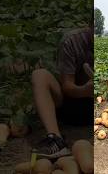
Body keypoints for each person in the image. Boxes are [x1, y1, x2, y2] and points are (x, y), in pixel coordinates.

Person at [31, 26, 93, 158]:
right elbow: (67, 86)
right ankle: (56, 140)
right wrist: (84, 91)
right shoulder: (72, 41)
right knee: (39, 75)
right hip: (71, 103)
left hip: (96, 109)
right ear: (90, 25)